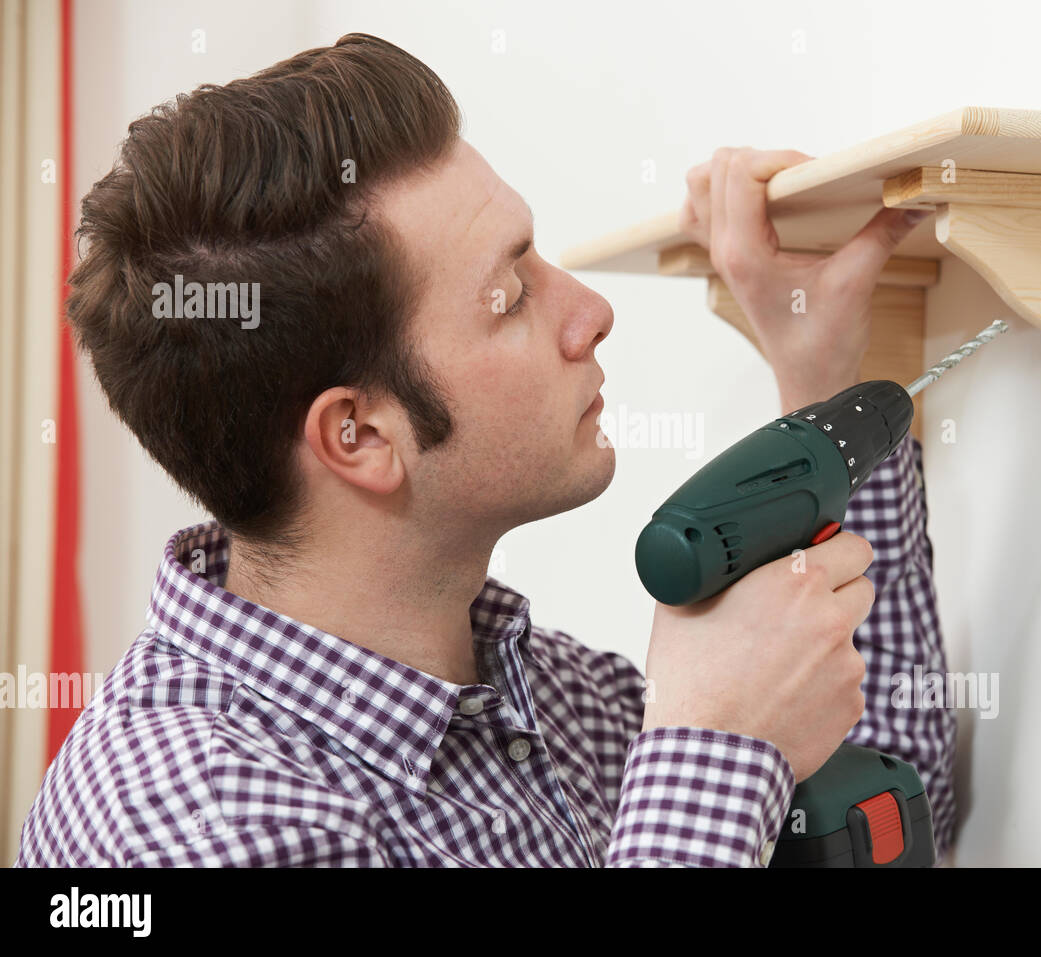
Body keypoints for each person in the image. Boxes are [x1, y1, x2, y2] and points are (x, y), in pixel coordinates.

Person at [16, 32, 955, 867]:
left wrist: (821, 379)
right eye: (510, 296)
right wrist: (715, 745)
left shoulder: (561, 700)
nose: (591, 312)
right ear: (361, 435)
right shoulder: (182, 820)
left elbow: (888, 812)